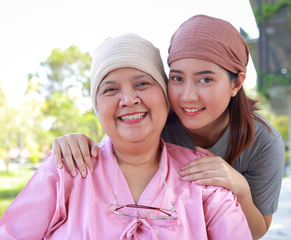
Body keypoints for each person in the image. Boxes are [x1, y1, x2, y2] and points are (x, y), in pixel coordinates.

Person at [0, 33, 252, 239]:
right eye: (110, 89)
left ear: (165, 97)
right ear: (97, 106)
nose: (128, 99)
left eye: (142, 84)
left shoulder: (203, 179)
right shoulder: (65, 170)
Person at [52, 15, 285, 239]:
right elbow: (114, 148)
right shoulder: (156, 122)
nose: (188, 96)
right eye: (177, 78)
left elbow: (258, 231)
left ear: (237, 83)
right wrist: (77, 143)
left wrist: (240, 189)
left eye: (205, 79)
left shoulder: (263, 142)